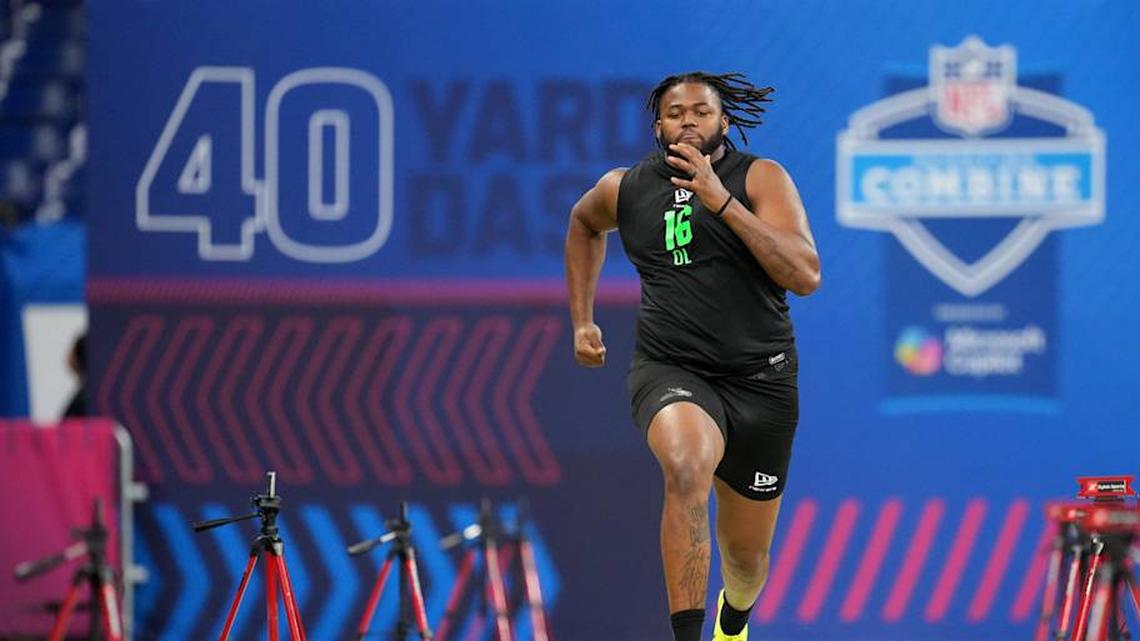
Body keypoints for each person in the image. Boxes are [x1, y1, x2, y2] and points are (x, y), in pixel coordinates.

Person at [564, 72, 821, 641]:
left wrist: (722, 201)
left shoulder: (760, 177)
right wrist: (583, 320)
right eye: (674, 112)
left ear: (724, 123)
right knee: (685, 467)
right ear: (657, 125)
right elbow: (584, 224)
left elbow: (805, 275)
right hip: (671, 369)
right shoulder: (625, 187)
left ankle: (735, 619)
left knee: (747, 561)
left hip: (762, 383)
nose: (687, 120)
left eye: (701, 112)